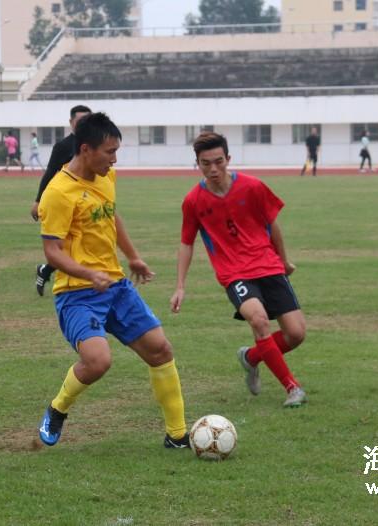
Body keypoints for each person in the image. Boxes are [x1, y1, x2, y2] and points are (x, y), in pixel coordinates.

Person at [37, 112, 189, 448]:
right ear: (86, 149)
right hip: (77, 294)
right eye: (109, 152)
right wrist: (87, 272)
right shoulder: (58, 193)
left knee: (160, 350)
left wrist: (132, 256)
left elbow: (111, 215)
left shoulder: (106, 177)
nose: (114, 159)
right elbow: (52, 252)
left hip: (117, 287)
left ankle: (177, 436)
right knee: (98, 361)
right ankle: (58, 408)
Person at [170, 132, 308, 408]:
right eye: (205, 163)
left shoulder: (253, 186)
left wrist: (283, 260)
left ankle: (251, 358)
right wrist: (180, 286)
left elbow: (273, 225)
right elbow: (187, 244)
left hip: (267, 264)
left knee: (295, 334)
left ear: (228, 159)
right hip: (234, 273)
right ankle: (292, 388)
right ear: (197, 163)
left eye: (218, 162)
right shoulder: (193, 201)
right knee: (258, 320)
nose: (213, 169)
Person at [31, 104, 92, 296]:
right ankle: (53, 272)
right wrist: (38, 201)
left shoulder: (95, 145)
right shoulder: (63, 147)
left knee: (79, 243)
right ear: (71, 122)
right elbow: (49, 174)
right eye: (80, 121)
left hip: (88, 202)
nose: (84, 125)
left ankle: (46, 270)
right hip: (67, 203)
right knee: (66, 244)